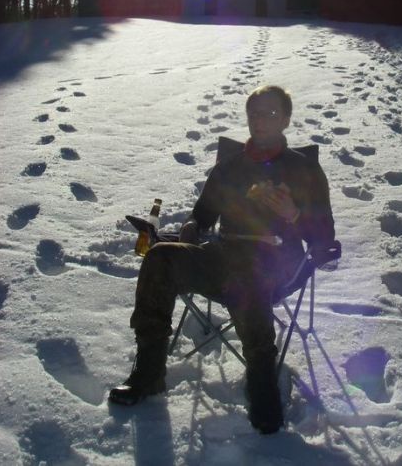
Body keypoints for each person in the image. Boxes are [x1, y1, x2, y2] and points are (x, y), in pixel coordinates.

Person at [109, 85, 336, 434]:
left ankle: (262, 379)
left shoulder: (304, 170)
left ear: (286, 119)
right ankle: (149, 372)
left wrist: (294, 214)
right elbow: (202, 217)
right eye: (254, 113)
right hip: (224, 257)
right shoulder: (229, 168)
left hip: (277, 267)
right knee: (160, 257)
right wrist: (191, 227)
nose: (260, 120)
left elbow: (324, 238)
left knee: (250, 271)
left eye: (270, 113)